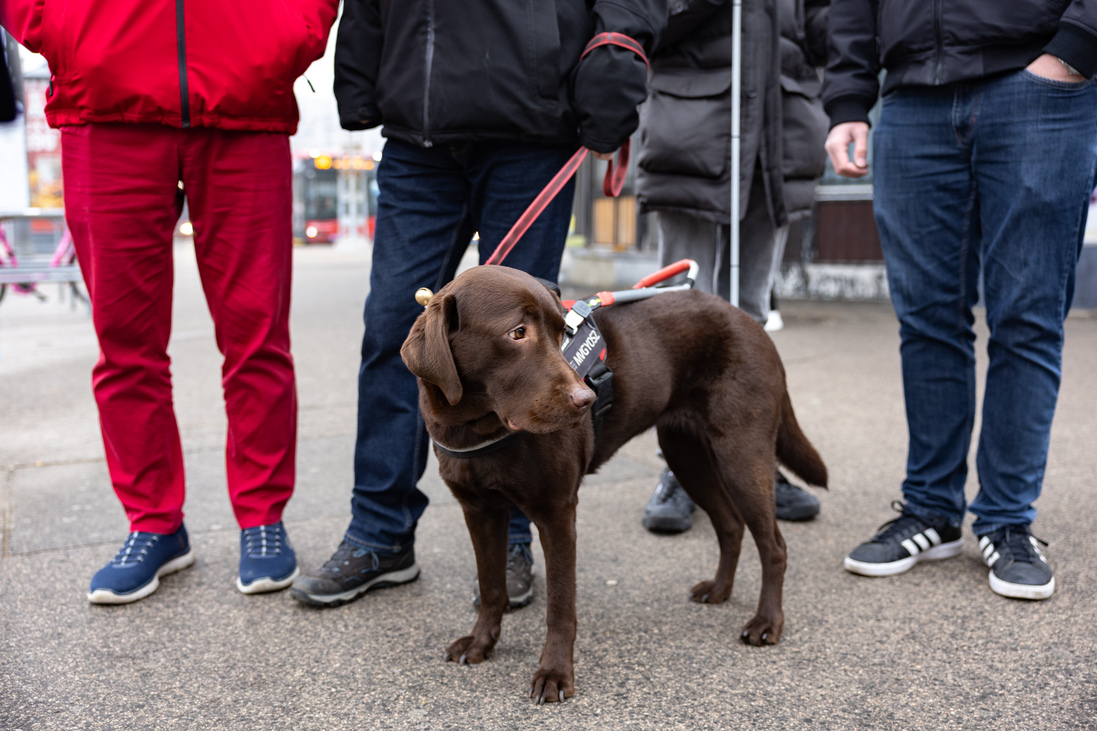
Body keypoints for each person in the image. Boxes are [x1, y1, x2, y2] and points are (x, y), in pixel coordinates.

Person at [290, 0, 665, 609]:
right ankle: (381, 531)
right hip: (418, 132)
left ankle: (516, 533)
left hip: (533, 124)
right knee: (393, 332)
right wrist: (360, 78)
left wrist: (619, 47)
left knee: (529, 341)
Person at [1, 0, 339, 604]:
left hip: (244, 97)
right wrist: (62, 30)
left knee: (257, 336)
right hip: (105, 102)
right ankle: (153, 523)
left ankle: (262, 516)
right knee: (125, 344)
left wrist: (290, 31)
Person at [824, 0, 1097, 600]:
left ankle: (1005, 519)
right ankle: (931, 510)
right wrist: (848, 97)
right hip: (909, 97)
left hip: (1039, 85)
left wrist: (1076, 47)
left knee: (1026, 320)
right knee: (926, 321)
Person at [635, 0, 830, 533]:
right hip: (690, 129)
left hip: (776, 132)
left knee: (750, 317)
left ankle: (752, 457)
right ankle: (681, 465)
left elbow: (826, 32)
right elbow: (646, 20)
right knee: (675, 314)